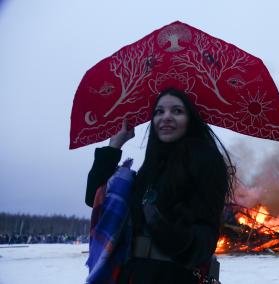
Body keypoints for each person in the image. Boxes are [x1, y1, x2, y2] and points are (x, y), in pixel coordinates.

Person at [85, 87, 235, 283]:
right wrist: (114, 146)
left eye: (177, 111)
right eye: (159, 111)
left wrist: (166, 230)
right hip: (132, 274)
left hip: (175, 276)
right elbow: (95, 200)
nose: (166, 117)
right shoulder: (148, 169)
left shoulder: (205, 161)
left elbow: (206, 237)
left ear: (190, 119)